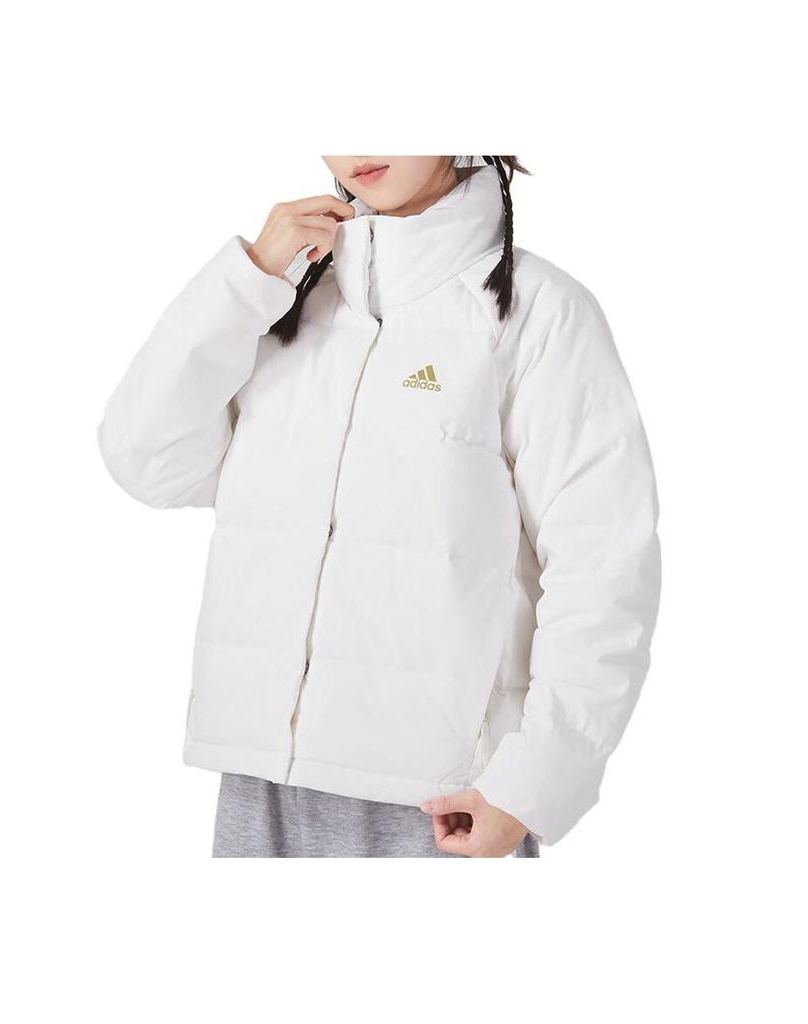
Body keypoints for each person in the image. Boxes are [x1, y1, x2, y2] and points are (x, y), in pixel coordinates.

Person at [97, 156, 661, 858]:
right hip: (262, 784)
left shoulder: (537, 313)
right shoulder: (284, 300)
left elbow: (603, 567)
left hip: (443, 802)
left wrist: (532, 782)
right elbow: (147, 461)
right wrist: (247, 280)